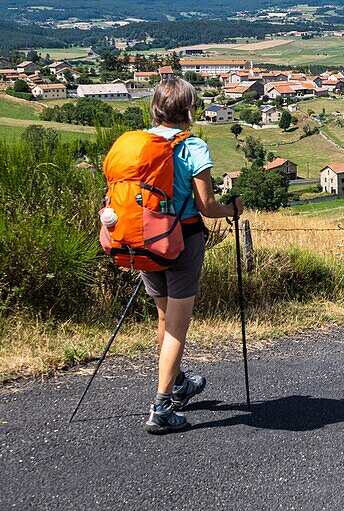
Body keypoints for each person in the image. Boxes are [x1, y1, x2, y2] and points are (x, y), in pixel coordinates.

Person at [142, 78, 244, 434]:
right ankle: (162, 406)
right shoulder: (193, 147)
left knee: (163, 318)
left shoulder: (140, 142)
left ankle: (180, 382)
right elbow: (206, 205)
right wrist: (232, 209)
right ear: (189, 110)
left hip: (144, 239)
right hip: (181, 239)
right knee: (177, 328)